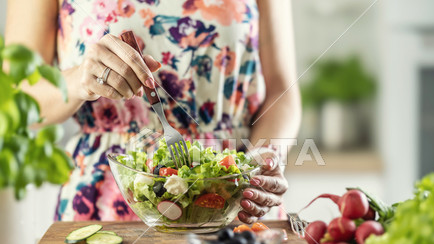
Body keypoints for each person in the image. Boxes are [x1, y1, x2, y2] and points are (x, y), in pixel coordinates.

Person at [5, 0, 300, 223]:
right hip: (110, 194)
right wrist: (81, 79)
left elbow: (282, 91)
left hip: (231, 190)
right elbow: (16, 98)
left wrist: (264, 157)